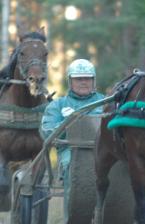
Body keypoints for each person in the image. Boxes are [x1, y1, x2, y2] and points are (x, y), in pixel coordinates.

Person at [40, 59, 104, 223]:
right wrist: (68, 124)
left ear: (93, 80)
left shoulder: (107, 103)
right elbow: (47, 131)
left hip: (103, 151)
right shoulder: (58, 105)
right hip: (71, 151)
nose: (83, 82)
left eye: (87, 78)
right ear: (70, 81)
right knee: (74, 166)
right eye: (78, 78)